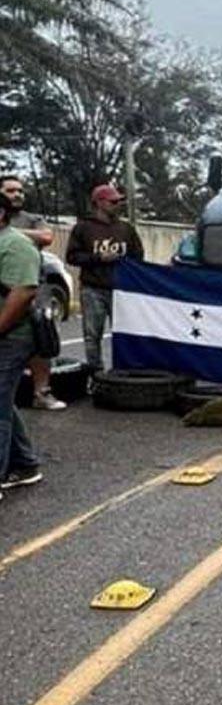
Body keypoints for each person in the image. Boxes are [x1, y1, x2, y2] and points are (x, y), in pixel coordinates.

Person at [0, 176, 64, 410]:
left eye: (20, 191)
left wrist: (12, 232)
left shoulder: (29, 220)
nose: (17, 194)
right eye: (10, 190)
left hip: (30, 290)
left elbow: (47, 237)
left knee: (40, 341)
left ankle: (42, 392)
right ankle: (21, 447)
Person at [66, 184, 144, 372]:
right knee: (93, 335)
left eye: (119, 201)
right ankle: (95, 373)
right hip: (93, 288)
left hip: (121, 289)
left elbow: (138, 255)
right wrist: (98, 258)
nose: (118, 204)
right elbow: (72, 257)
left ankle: (123, 371)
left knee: (124, 333)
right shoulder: (83, 228)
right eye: (113, 201)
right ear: (99, 203)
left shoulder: (126, 229)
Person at [0, 192, 43, 497]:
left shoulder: (16, 245)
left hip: (12, 335)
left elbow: (23, 293)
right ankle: (26, 463)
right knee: (2, 401)